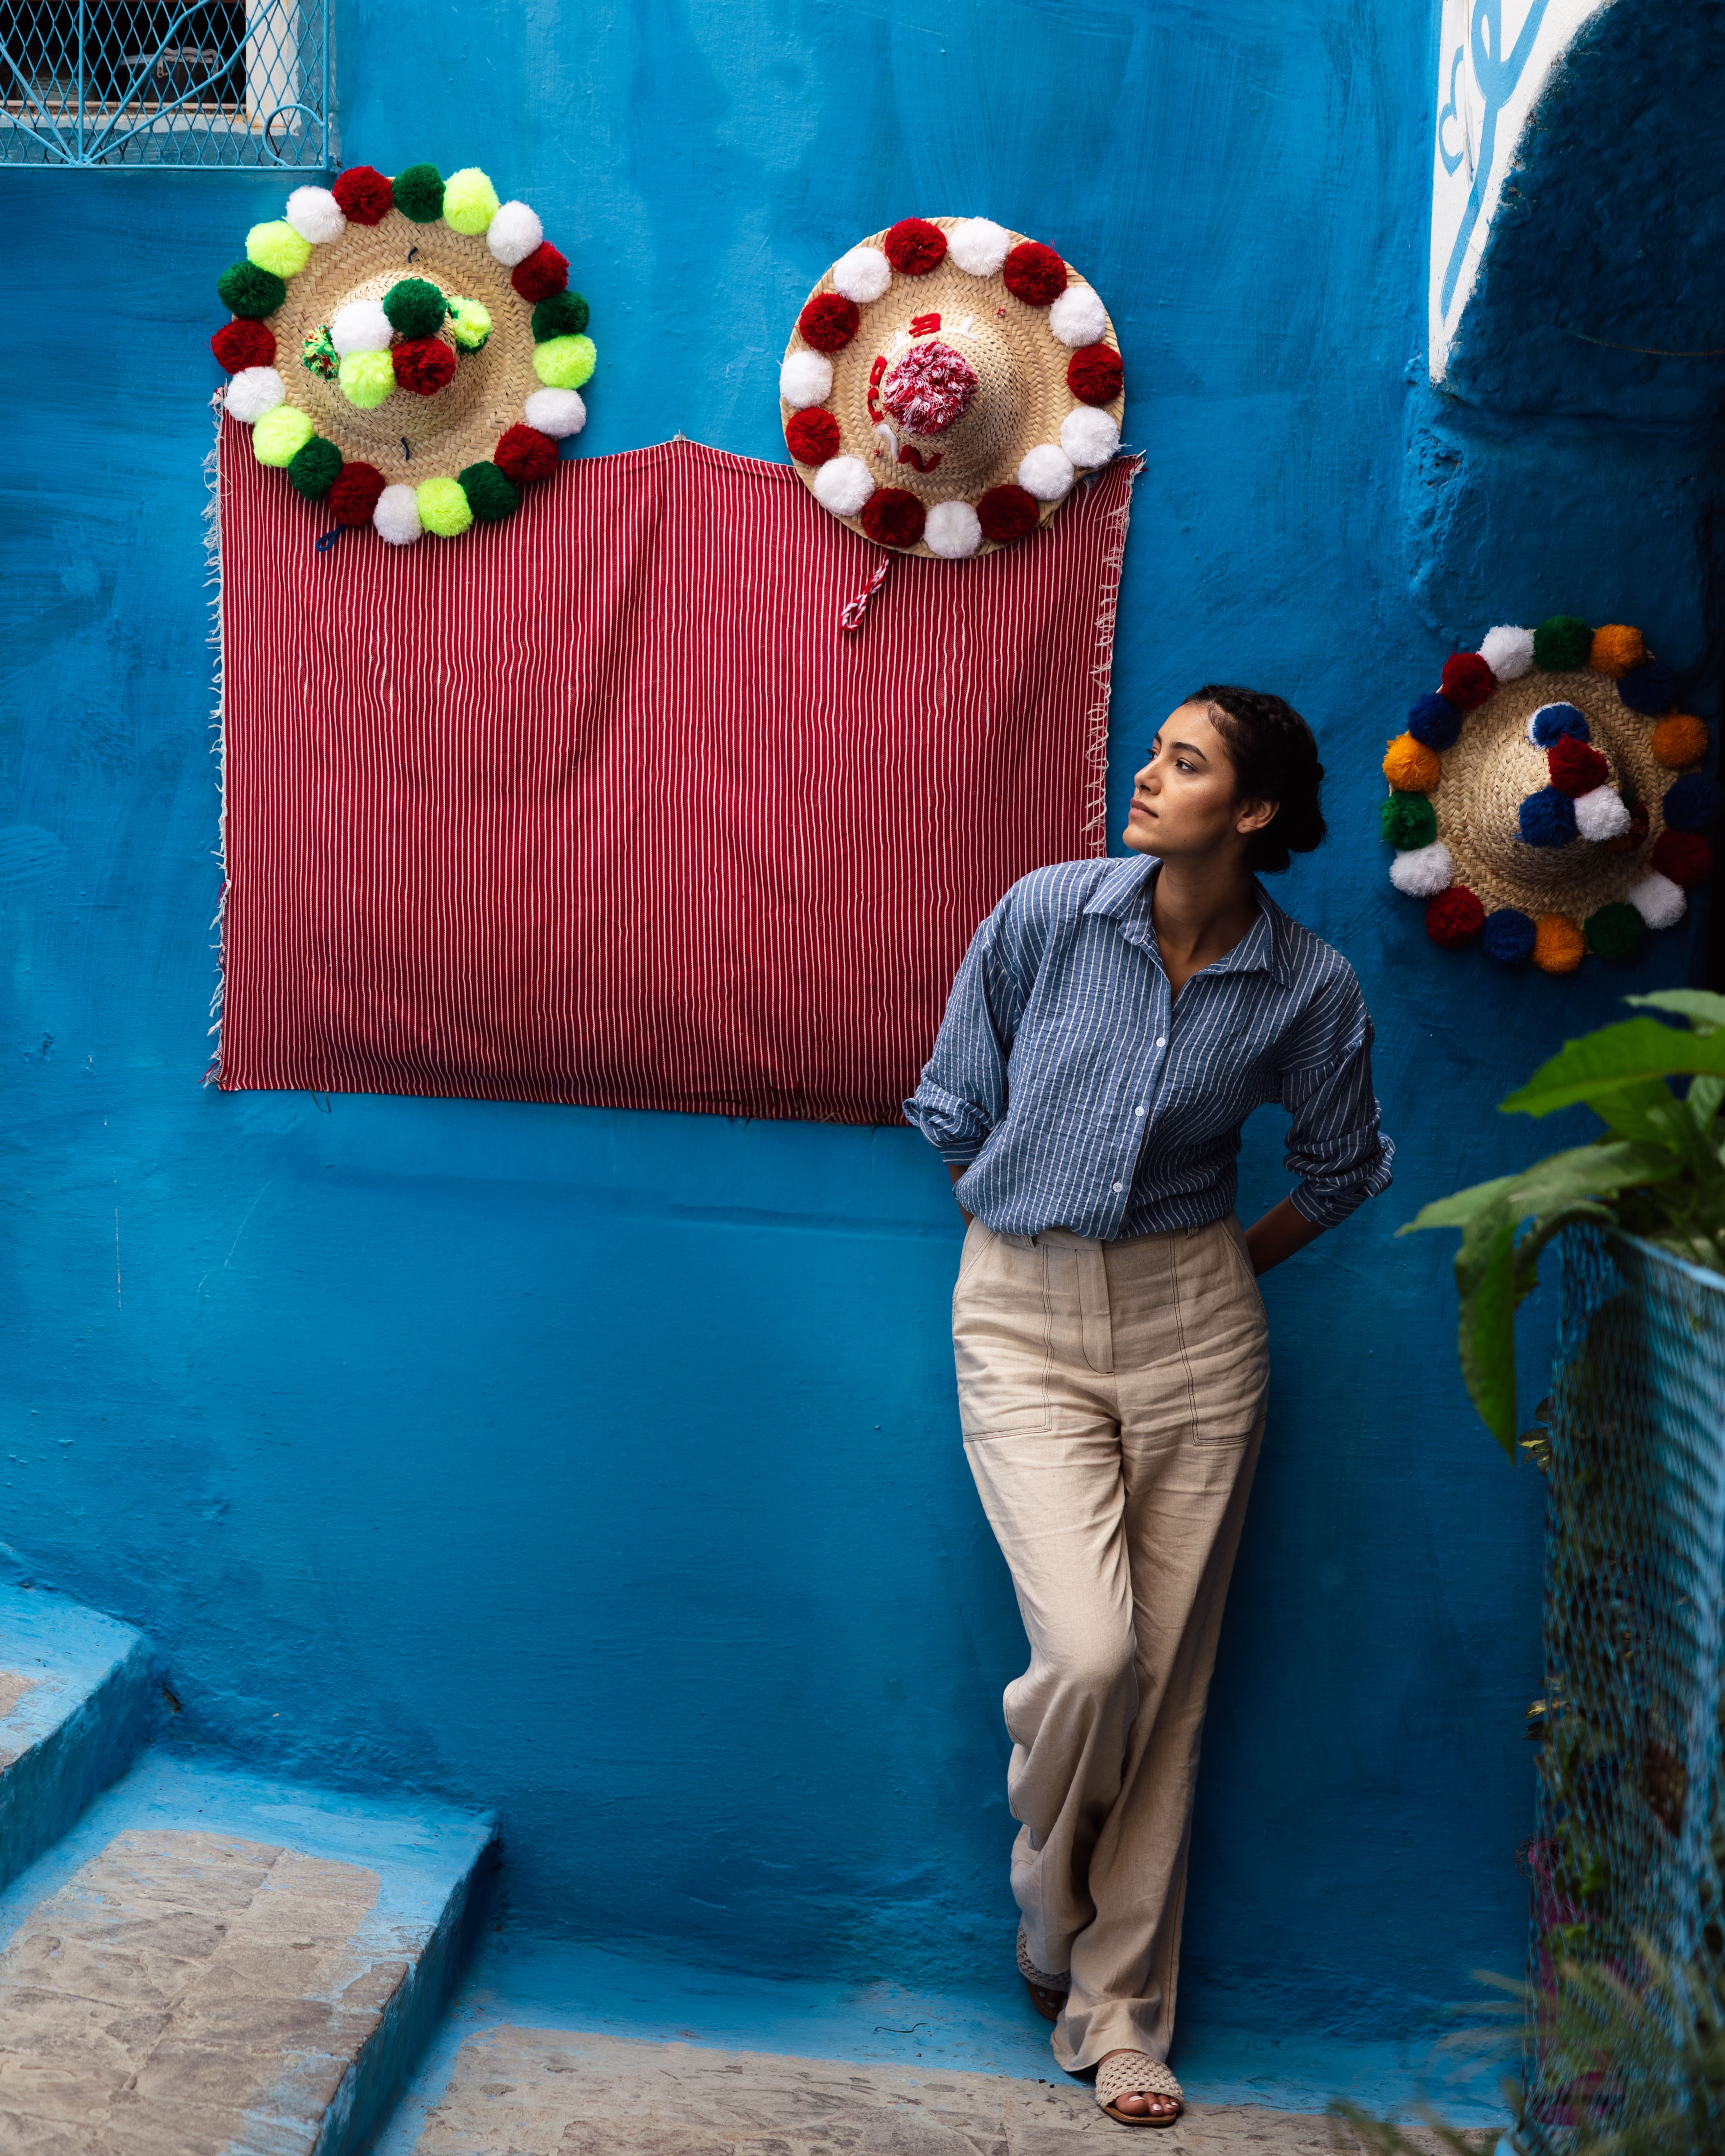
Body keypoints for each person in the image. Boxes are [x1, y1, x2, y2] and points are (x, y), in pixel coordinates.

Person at [903, 686, 1392, 2128]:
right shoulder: (1051, 913)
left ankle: (1121, 2019)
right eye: (1157, 753)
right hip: (1024, 1315)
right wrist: (1022, 1237)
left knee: (1168, 1696)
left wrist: (1214, 1279)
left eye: (1185, 765)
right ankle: (1048, 1914)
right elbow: (953, 1104)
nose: (1147, 775)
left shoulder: (1308, 988)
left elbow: (1344, 1166)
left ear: (1249, 814)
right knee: (1094, 1658)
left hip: (1199, 1332)